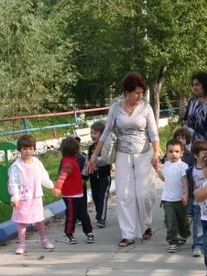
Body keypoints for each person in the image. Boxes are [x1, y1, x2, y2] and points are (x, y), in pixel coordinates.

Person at [86, 72, 161, 249]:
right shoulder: (116, 107)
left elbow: (153, 133)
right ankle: (128, 234)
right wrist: (94, 156)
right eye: (136, 93)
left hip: (143, 154)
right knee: (125, 195)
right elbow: (105, 132)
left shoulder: (146, 108)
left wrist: (156, 154)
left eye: (142, 93)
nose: (140, 96)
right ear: (127, 92)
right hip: (122, 155)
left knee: (144, 195)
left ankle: (145, 225)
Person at [8, 134, 55, 255]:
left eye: (30, 148)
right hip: (23, 198)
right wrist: (15, 197)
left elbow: (44, 176)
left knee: (39, 220)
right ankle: (22, 244)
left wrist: (51, 186)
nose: (27, 151)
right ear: (20, 150)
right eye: (24, 149)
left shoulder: (37, 163)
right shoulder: (16, 166)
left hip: (35, 197)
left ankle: (44, 240)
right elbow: (13, 182)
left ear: (34, 149)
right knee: (22, 222)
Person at [54, 136, 95, 245]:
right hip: (70, 195)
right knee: (72, 215)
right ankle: (69, 234)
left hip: (78, 192)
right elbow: (62, 176)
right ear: (75, 150)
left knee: (83, 213)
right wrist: (58, 187)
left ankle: (89, 231)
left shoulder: (73, 160)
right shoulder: (68, 162)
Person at [155, 140, 191, 253]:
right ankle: (172, 241)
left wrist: (185, 194)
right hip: (167, 199)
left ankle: (184, 234)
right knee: (171, 222)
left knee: (182, 221)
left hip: (180, 199)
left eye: (176, 151)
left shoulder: (183, 166)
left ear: (181, 153)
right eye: (171, 151)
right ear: (167, 152)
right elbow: (164, 179)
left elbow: (185, 181)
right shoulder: (166, 164)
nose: (173, 154)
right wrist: (157, 170)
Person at [185, 140, 207, 257]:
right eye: (203, 152)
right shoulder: (191, 170)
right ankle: (197, 245)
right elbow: (189, 188)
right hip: (197, 203)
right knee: (198, 226)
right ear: (196, 155)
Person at [87, 121, 113, 228]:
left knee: (103, 196)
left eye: (95, 133)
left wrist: (95, 161)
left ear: (102, 135)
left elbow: (107, 160)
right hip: (93, 177)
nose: (93, 135)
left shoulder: (105, 147)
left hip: (104, 176)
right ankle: (99, 213)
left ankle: (101, 218)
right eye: (91, 133)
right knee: (95, 196)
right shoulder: (90, 148)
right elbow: (88, 162)